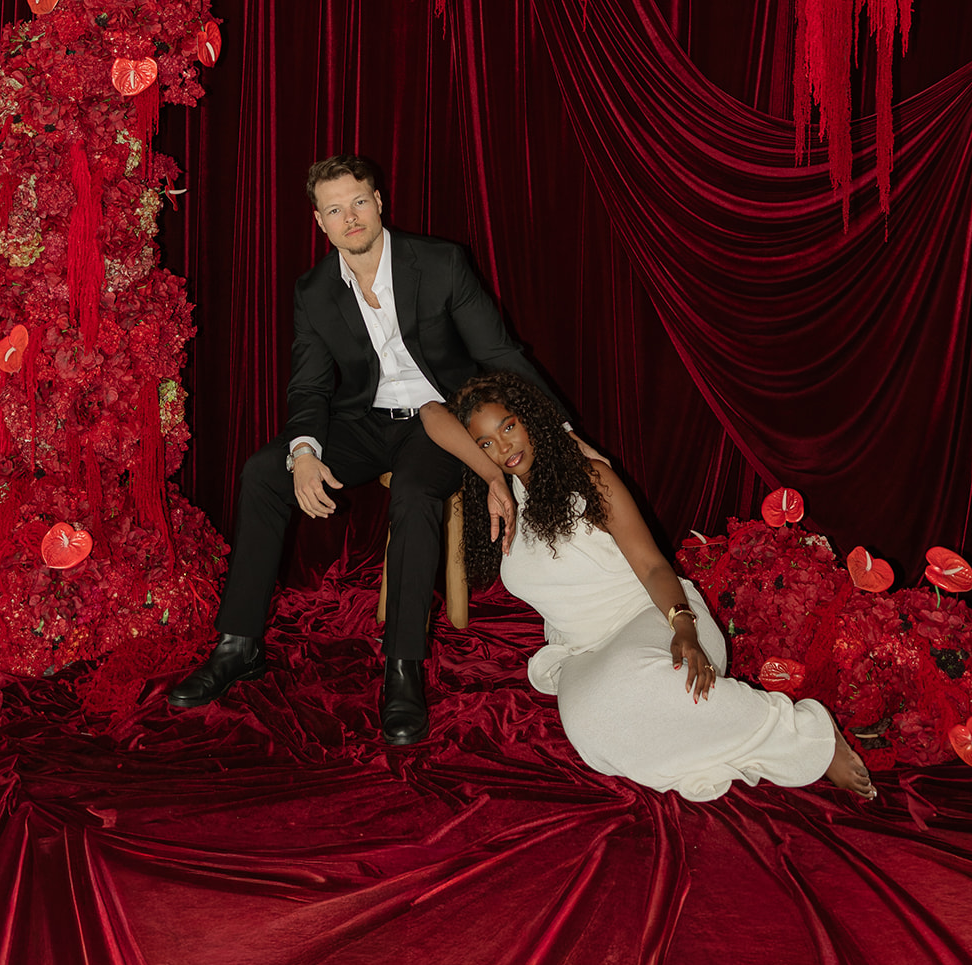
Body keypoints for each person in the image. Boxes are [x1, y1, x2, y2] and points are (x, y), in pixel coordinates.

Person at [169, 156, 583, 743]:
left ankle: (402, 669)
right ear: (320, 222)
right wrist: (306, 450)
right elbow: (310, 386)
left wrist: (560, 431)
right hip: (364, 421)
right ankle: (238, 644)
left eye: (358, 202)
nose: (350, 217)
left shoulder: (438, 263)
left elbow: (501, 354)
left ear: (379, 202)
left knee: (414, 494)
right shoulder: (313, 291)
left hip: (440, 421)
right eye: (334, 210)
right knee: (264, 471)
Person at [422, 372, 876, 802]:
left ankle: (806, 731)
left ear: (529, 419)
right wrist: (491, 476)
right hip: (586, 651)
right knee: (592, 732)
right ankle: (715, 734)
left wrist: (682, 625)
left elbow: (653, 566)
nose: (503, 446)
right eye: (486, 443)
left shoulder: (588, 478)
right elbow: (427, 411)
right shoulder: (503, 503)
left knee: (637, 686)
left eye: (509, 427)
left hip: (654, 616)